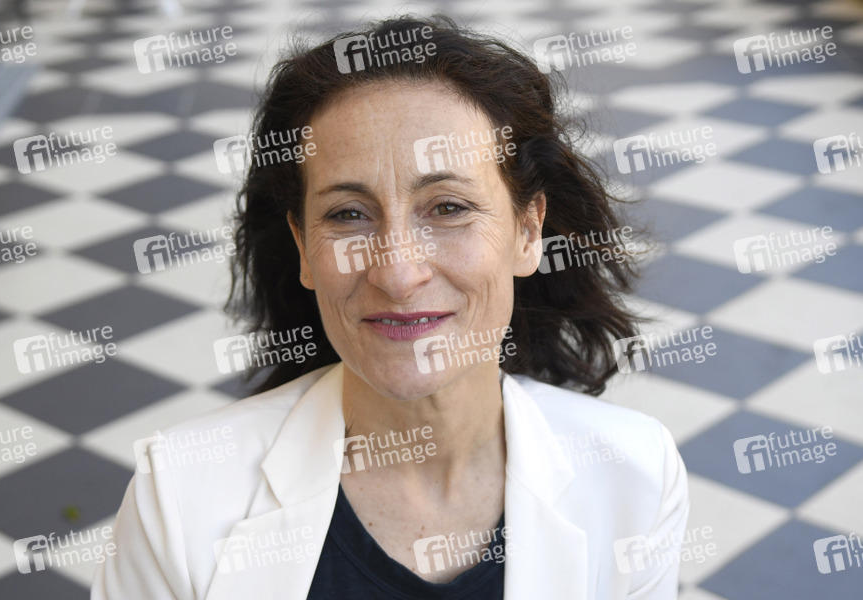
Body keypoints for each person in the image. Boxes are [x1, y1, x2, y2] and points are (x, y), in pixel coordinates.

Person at [93, 15, 688, 600]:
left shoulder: (637, 475)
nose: (399, 274)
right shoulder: (177, 496)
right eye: (348, 214)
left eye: (448, 208)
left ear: (528, 231)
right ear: (303, 247)